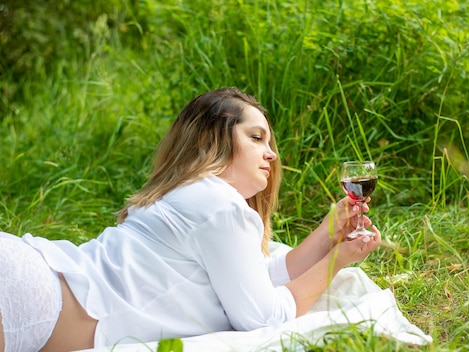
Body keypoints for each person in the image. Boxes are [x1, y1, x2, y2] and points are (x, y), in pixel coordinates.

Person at [0, 87, 381, 352]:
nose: (272, 155)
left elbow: (254, 281)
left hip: (28, 280)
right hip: (29, 298)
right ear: (210, 140)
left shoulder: (188, 193)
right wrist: (338, 261)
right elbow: (265, 316)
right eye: (256, 137)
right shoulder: (221, 206)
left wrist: (327, 235)